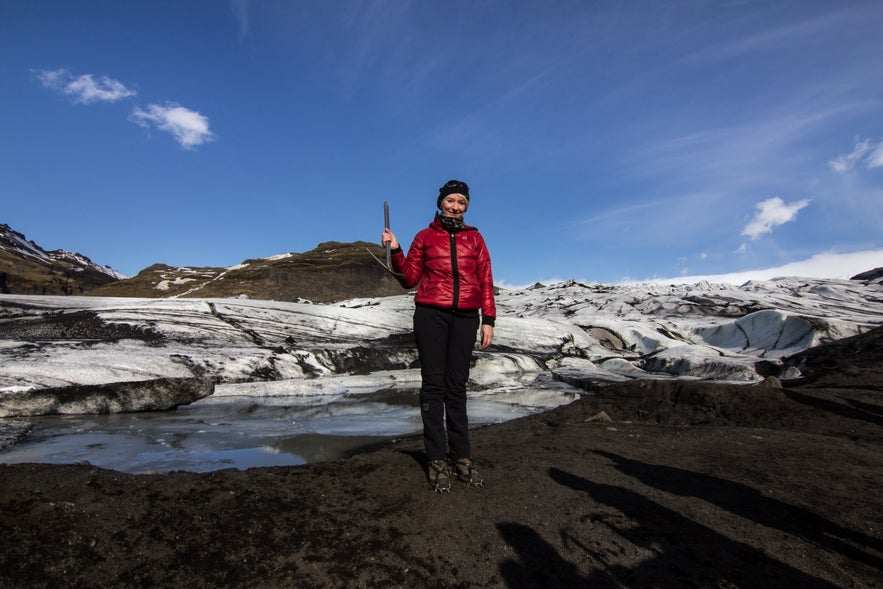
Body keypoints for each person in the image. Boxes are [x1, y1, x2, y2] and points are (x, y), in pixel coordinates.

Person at [381, 179, 496, 492]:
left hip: (466, 317)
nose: (455, 207)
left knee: (456, 386)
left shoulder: (475, 238)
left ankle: (461, 457)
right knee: (433, 385)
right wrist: (396, 249)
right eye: (451, 201)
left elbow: (485, 279)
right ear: (441, 203)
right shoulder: (425, 236)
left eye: (461, 203)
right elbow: (410, 279)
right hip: (431, 315)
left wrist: (489, 319)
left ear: (466, 207)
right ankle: (435, 459)